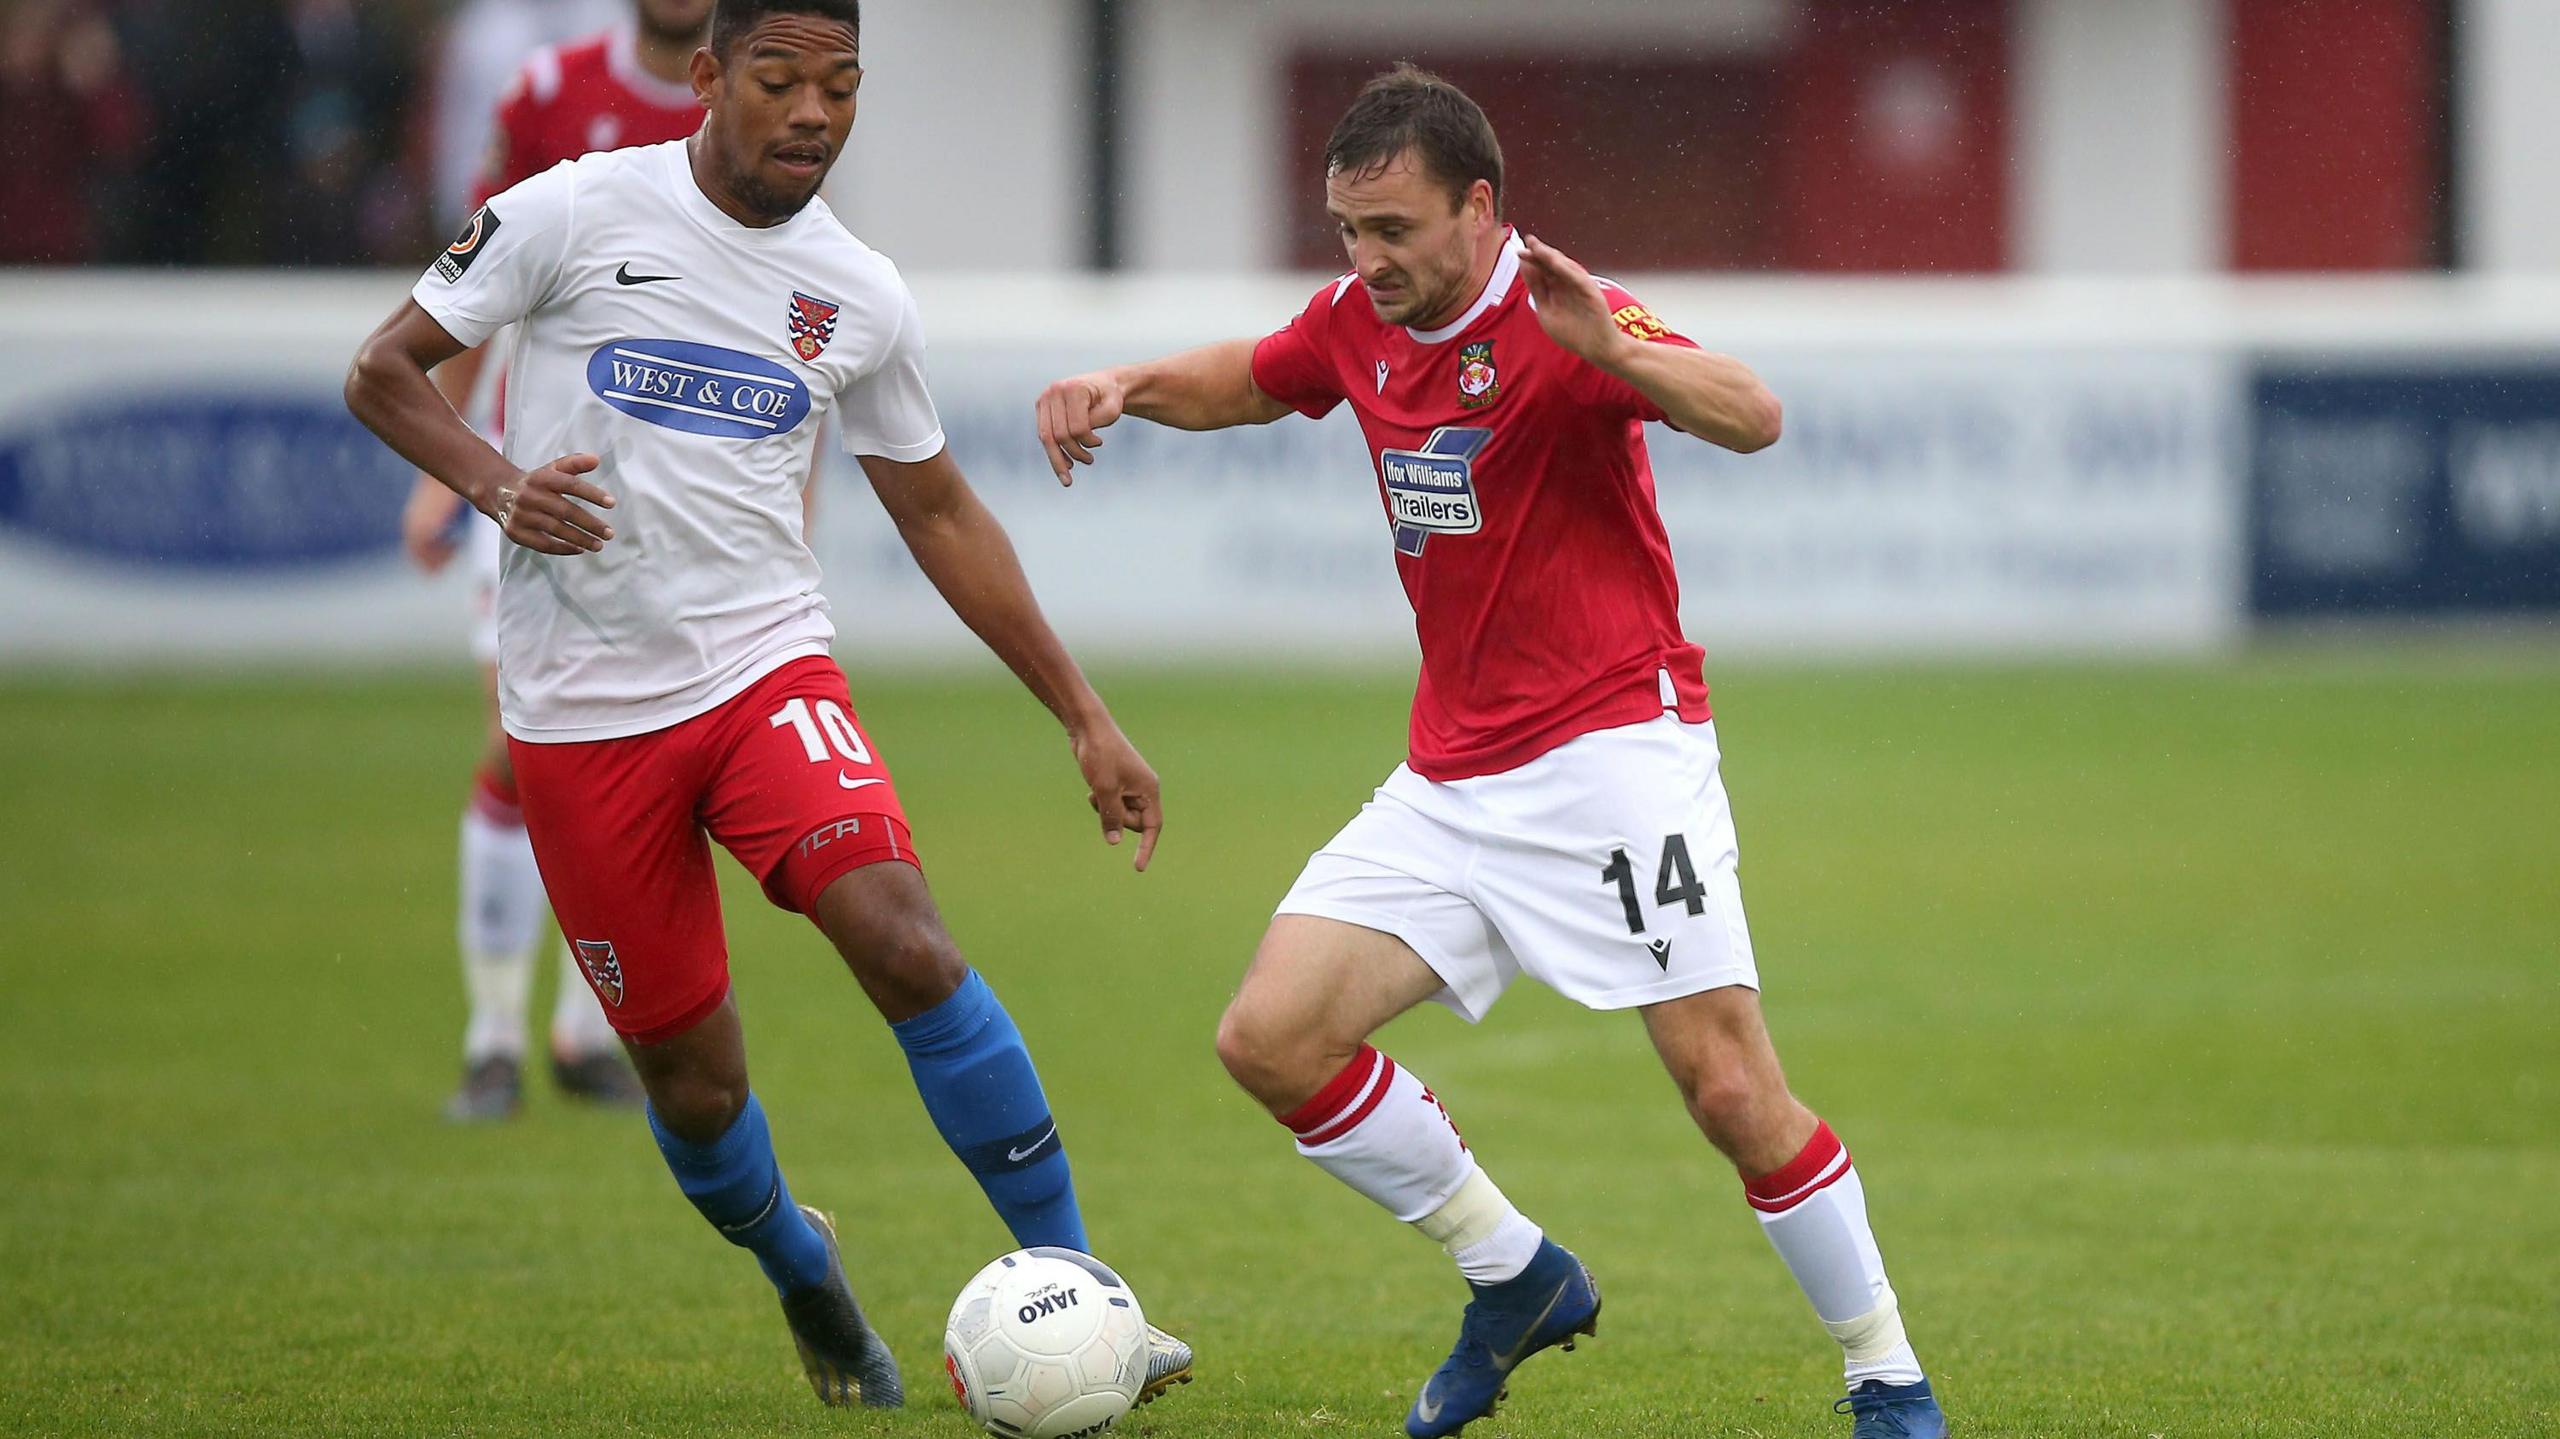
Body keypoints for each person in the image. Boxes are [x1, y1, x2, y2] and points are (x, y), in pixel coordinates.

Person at [1035, 65, 1947, 1439]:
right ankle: (1516, 1272)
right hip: (1453, 779)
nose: (1368, 260)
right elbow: (1254, 378)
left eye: (1393, 229)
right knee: (1272, 1037)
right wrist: (1124, 382)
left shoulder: (1562, 310)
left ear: (1479, 206)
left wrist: (1619, 352)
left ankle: (1889, 1378)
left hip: (1616, 752)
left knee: (1728, 1086)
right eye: (1349, 230)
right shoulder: (1357, 321)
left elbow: (1752, 413)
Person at [346, 0, 1190, 1408]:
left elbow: (937, 508)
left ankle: (1092, 1292)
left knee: (906, 940)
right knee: (692, 1083)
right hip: (581, 714)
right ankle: (803, 1266)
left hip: (762, 670)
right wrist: (497, 485)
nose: (813, 112)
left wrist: (1083, 713)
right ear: (708, 77)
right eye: (781, 79)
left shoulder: (858, 291)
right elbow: (382, 369)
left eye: (841, 86)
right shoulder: (569, 210)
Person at [401, 0, 721, 1124]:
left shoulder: (751, 102)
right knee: (522, 745)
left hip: (686, 493)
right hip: (537, 475)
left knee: (657, 757)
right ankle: (492, 1037)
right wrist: (444, 466)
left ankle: (586, 1030)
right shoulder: (546, 94)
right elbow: (469, 288)